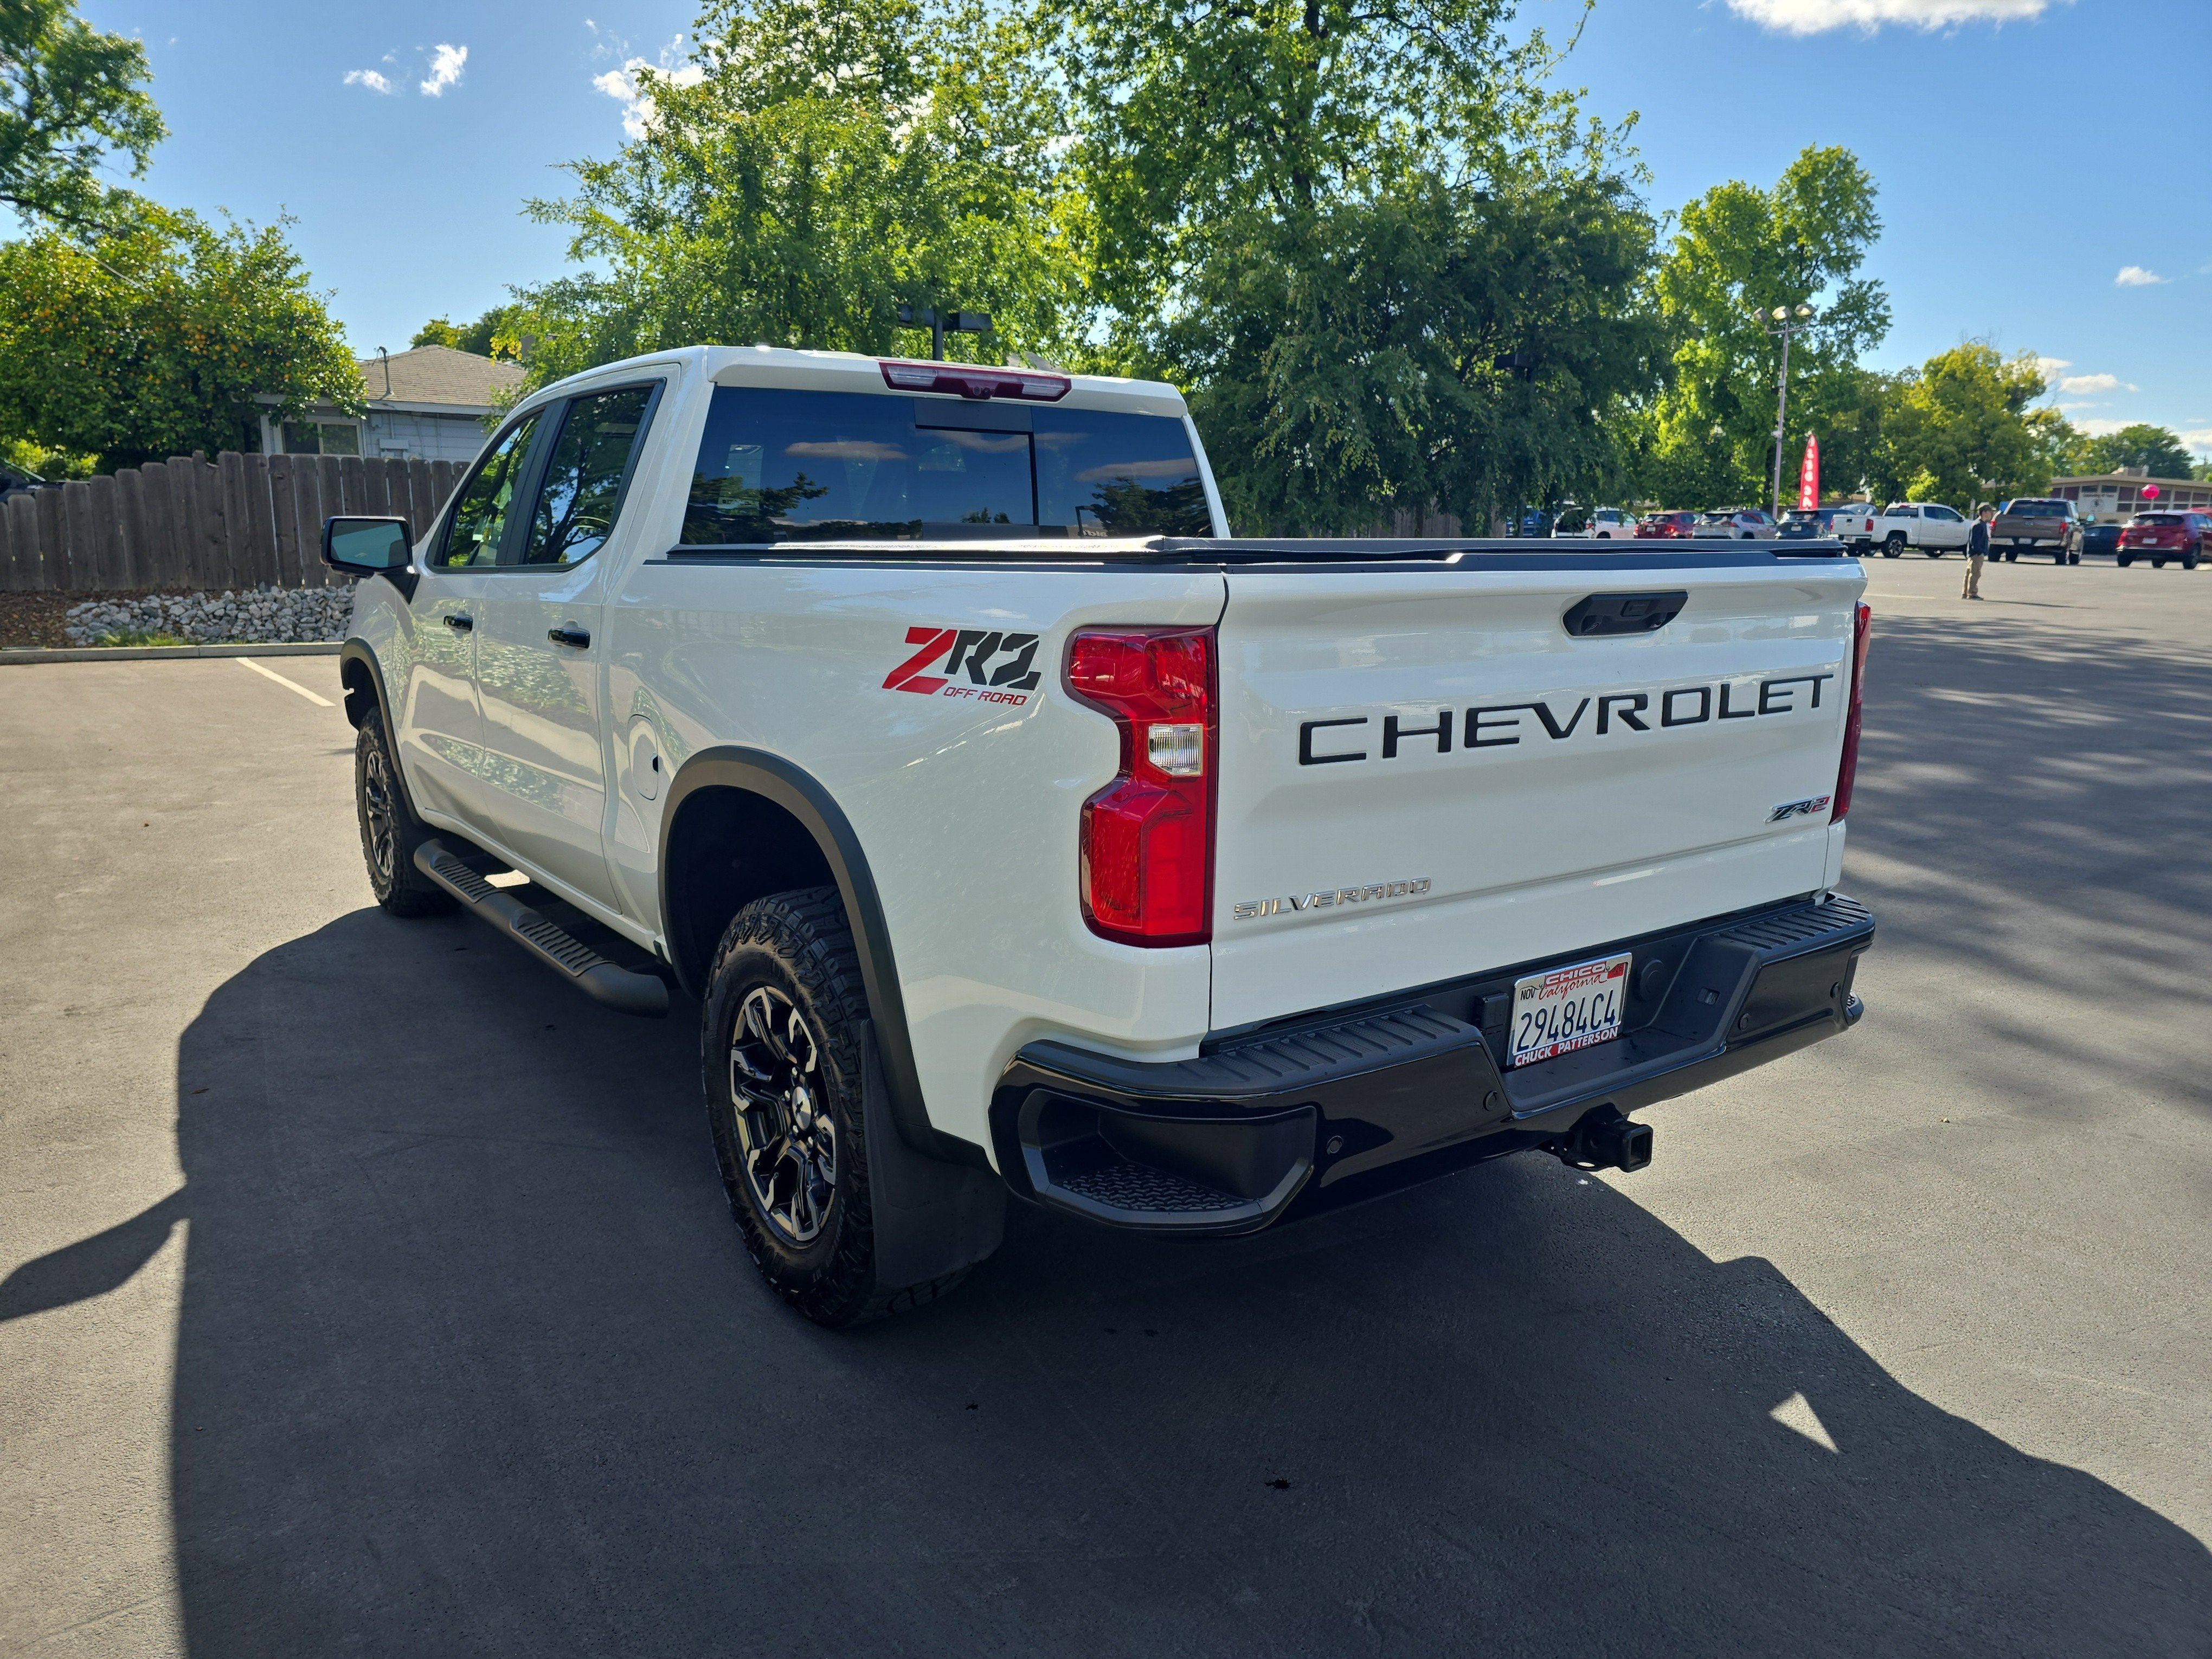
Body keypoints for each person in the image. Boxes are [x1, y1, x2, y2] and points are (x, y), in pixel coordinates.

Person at [1964, 506, 1992, 599]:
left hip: (1976, 553)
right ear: (1984, 512)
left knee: (1970, 573)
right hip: (1976, 554)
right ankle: (1972, 593)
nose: (1991, 514)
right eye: (1989, 512)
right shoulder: (1978, 525)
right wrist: (1980, 552)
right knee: (1975, 574)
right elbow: (1975, 542)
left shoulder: (1982, 524)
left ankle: (1965, 593)